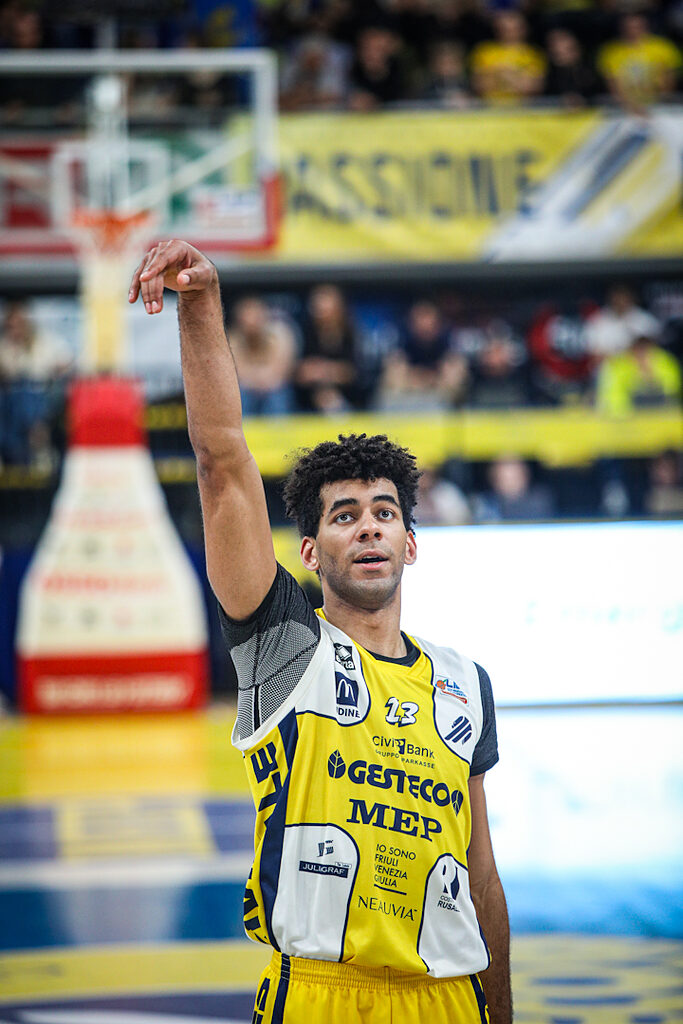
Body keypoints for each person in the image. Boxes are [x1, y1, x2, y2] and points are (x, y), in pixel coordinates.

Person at [129, 240, 512, 1024]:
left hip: (449, 999)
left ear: (410, 543)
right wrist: (202, 303)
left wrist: (499, 1007)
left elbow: (481, 872)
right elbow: (222, 463)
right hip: (318, 994)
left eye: (384, 513)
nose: (367, 528)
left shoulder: (464, 682)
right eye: (344, 516)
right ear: (309, 552)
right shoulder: (286, 649)